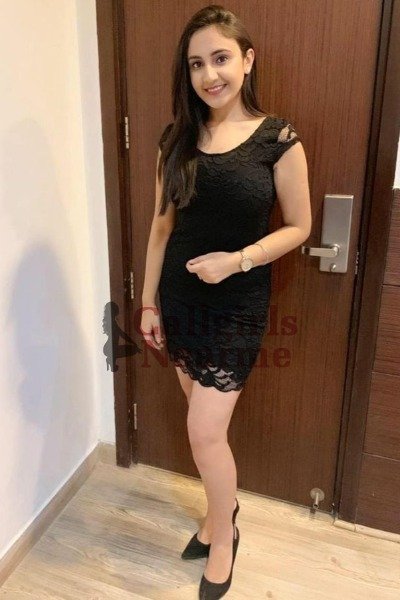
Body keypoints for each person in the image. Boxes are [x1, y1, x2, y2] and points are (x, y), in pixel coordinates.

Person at [140, 4, 311, 598]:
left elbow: (300, 226)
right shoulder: (175, 141)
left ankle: (223, 538)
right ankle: (221, 516)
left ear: (247, 60)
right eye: (196, 64)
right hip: (179, 300)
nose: (209, 75)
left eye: (220, 58)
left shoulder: (277, 139)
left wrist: (237, 260)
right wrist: (147, 303)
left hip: (237, 306)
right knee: (201, 428)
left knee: (205, 434)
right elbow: (161, 227)